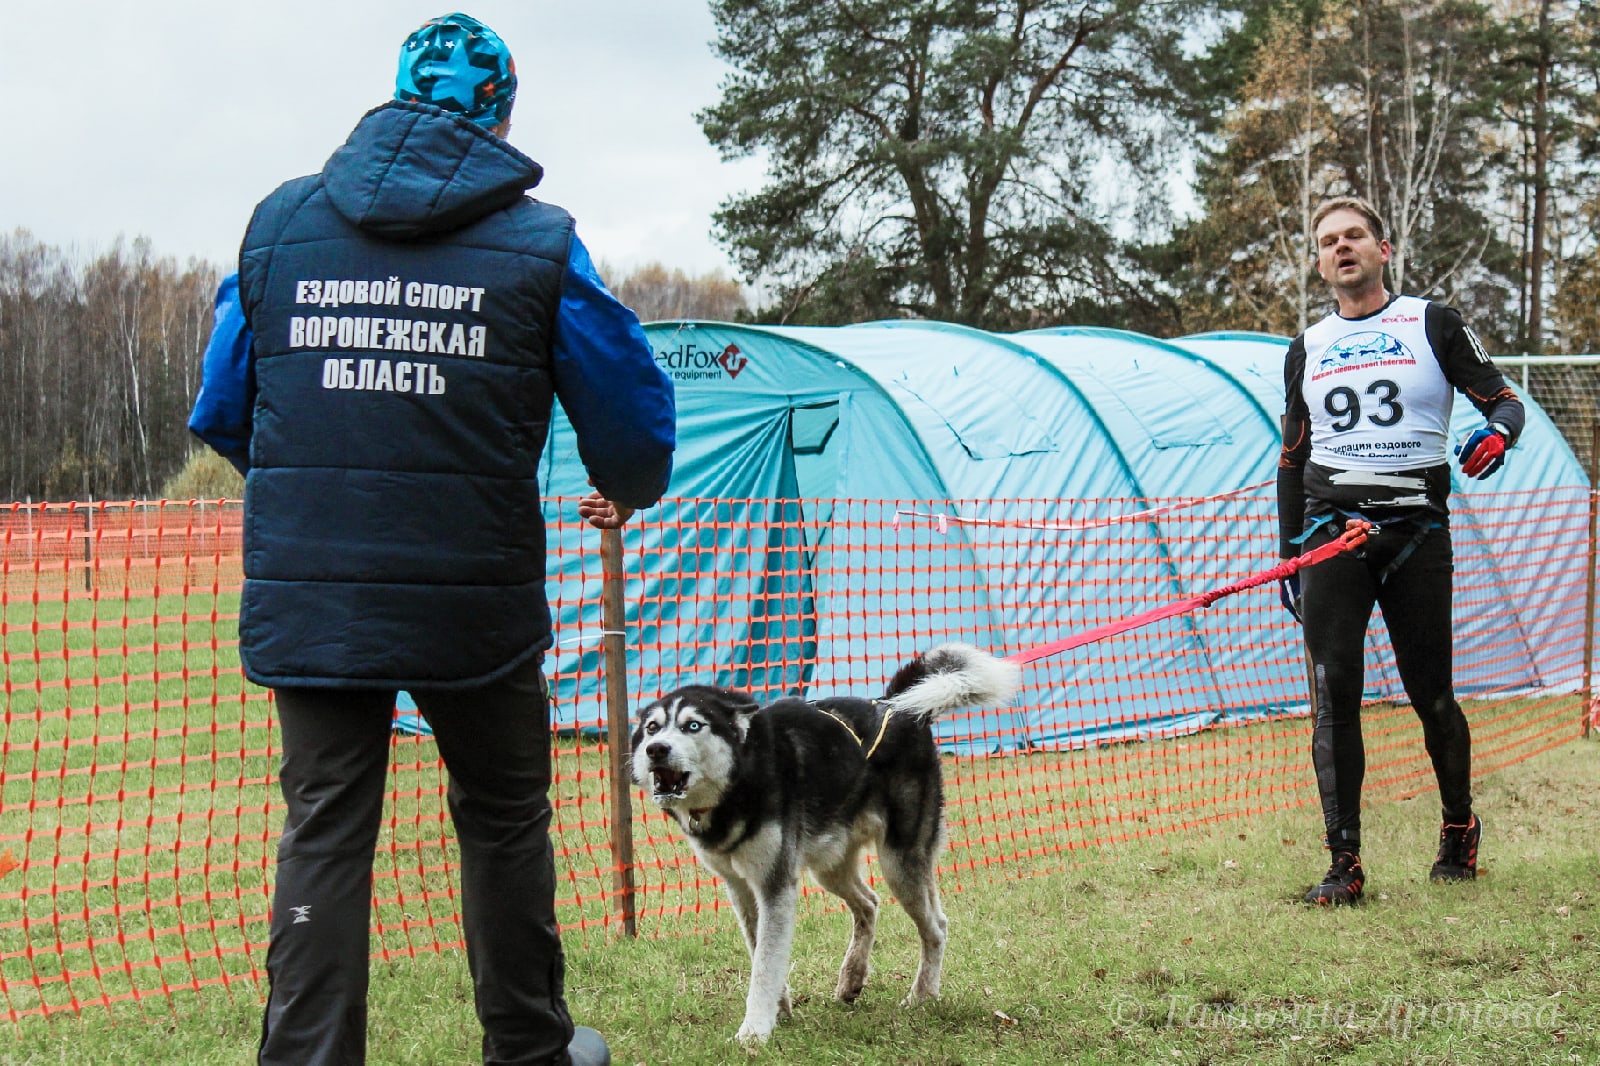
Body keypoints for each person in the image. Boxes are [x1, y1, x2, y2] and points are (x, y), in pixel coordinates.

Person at [188, 13, 675, 1064]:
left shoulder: (277, 226)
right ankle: (529, 1047)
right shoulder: (541, 241)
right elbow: (633, 416)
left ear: (397, 97)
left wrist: (324, 488)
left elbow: (224, 407)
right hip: (476, 598)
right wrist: (627, 488)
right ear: (500, 113)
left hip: (314, 591)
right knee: (503, 816)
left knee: (324, 825)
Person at [1276, 196, 1524, 906]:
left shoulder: (1432, 322)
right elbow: (1292, 458)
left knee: (1431, 696)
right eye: (1328, 241)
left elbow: (1504, 401)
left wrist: (1497, 435)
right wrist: (1288, 556)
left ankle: (1456, 830)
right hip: (1331, 535)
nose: (1341, 247)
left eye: (1354, 235)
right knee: (1334, 698)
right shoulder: (1309, 346)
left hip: (1416, 532)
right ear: (1321, 262)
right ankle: (1344, 863)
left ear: (1383, 250)